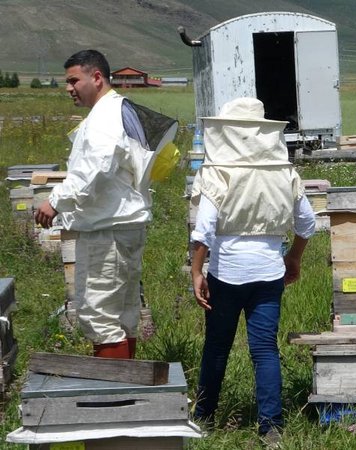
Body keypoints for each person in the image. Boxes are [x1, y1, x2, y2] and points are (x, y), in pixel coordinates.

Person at [35, 49, 175, 358]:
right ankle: (125, 383)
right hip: (120, 225)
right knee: (123, 315)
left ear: (96, 77)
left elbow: (96, 167)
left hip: (107, 230)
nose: (69, 88)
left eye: (74, 80)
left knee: (100, 316)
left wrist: (56, 200)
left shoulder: (105, 116)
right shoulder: (116, 110)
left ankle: (112, 386)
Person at [189, 97, 315, 444]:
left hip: (227, 273)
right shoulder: (285, 172)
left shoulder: (217, 171)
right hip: (269, 272)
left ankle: (204, 418)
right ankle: (271, 427)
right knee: (264, 350)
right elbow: (307, 223)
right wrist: (294, 257)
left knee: (217, 347)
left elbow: (204, 229)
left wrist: (196, 272)